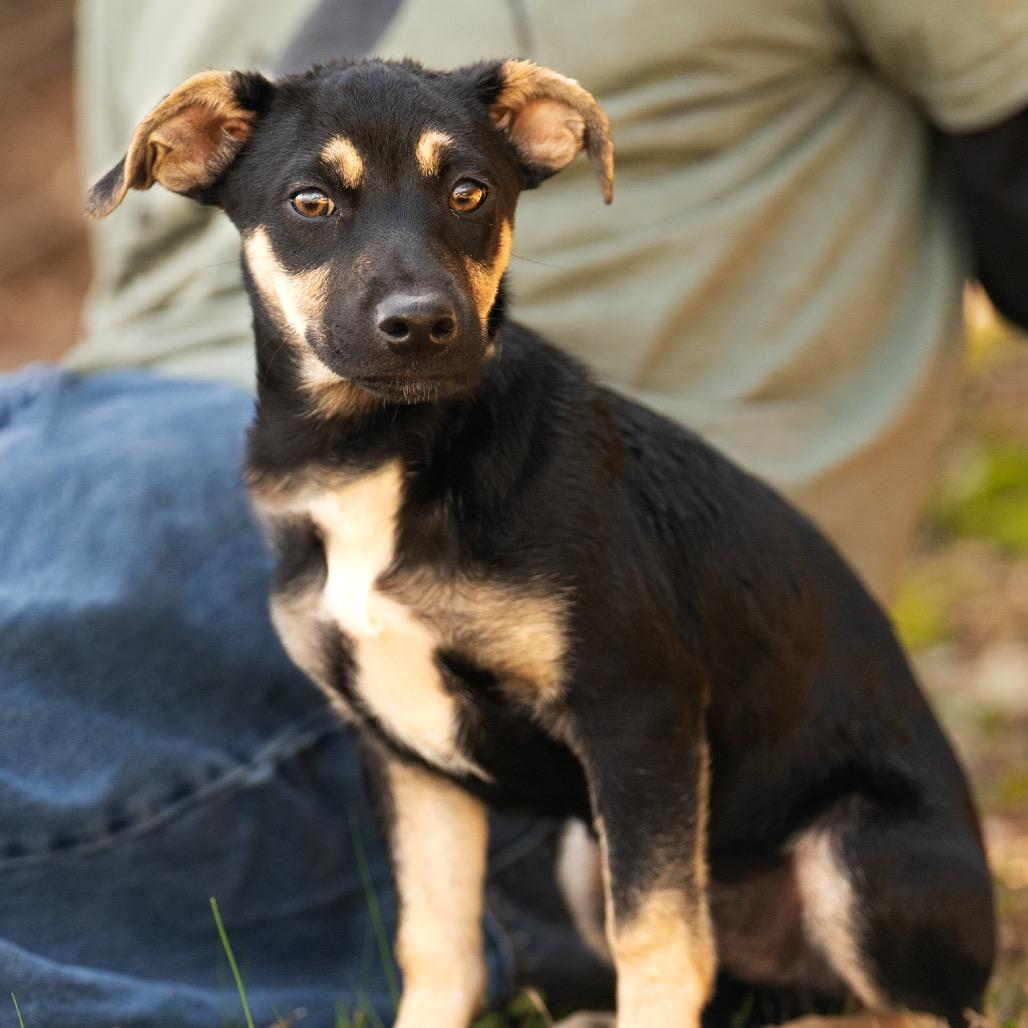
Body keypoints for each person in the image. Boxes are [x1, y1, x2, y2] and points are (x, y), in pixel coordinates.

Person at [3, 1, 1027, 1024]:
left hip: (590, 629)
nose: (413, 291)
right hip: (101, 418)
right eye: (317, 205)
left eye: (462, 195)